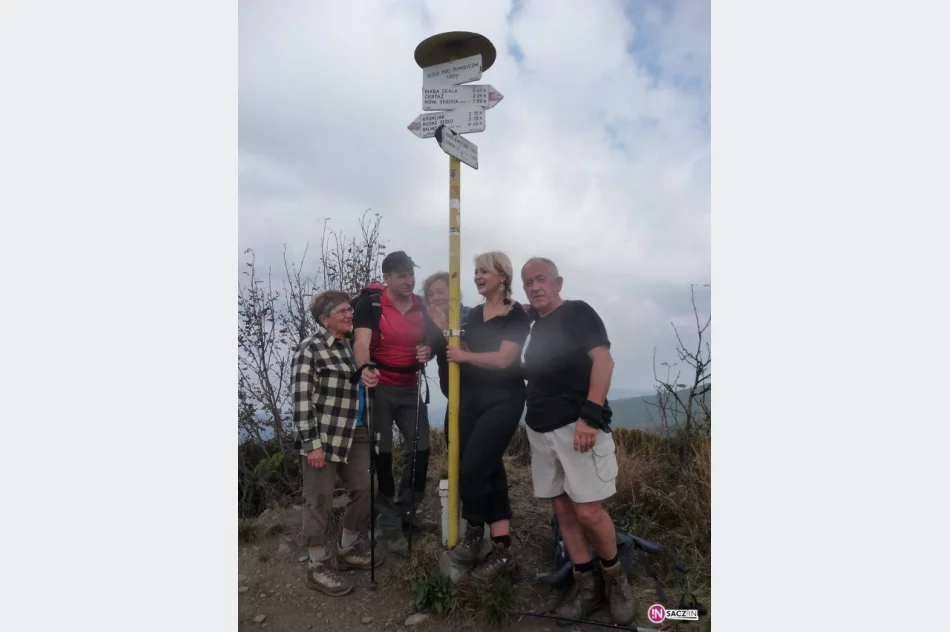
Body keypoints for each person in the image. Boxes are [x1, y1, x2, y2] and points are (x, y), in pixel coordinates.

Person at [519, 257, 636, 625]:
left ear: (558, 282)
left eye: (541, 279)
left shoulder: (579, 313)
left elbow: (604, 362)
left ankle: (616, 581)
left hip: (577, 428)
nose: (534, 286)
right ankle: (586, 585)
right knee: (564, 510)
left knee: (588, 510)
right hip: (540, 430)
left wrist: (589, 415)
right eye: (527, 283)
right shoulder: (537, 325)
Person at [428, 252, 531, 581]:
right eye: (475, 271)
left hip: (503, 401)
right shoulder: (471, 315)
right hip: (470, 399)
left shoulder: (515, 315)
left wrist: (465, 355)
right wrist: (444, 331)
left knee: (472, 469)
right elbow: (456, 352)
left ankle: (474, 533)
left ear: (502, 276)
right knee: (490, 470)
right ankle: (503, 551)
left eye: (483, 271)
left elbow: (504, 360)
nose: (476, 276)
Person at [291, 290, 383, 597]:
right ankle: (317, 567)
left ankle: (346, 550)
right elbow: (301, 399)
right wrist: (311, 445)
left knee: (366, 490)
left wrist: (370, 375)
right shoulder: (311, 348)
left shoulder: (351, 346)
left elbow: (358, 382)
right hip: (324, 436)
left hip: (357, 431)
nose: (349, 314)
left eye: (349, 309)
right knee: (318, 500)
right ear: (324, 319)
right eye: (343, 311)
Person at [353, 251, 438, 557]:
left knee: (421, 451)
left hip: (411, 387)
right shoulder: (371, 305)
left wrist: (426, 351)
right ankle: (388, 523)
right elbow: (361, 343)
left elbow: (430, 339)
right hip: (381, 388)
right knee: (384, 457)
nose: (408, 280)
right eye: (401, 275)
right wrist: (364, 369)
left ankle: (406, 512)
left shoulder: (421, 307)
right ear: (386, 277)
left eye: (410, 274)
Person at [422, 271, 472, 432]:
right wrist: (426, 351)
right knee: (454, 444)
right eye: (430, 294)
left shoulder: (469, 317)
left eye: (441, 292)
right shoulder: (432, 322)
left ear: (454, 293)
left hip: (475, 394)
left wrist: (444, 327)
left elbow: (465, 353)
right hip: (453, 396)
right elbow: (432, 348)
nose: (436, 297)